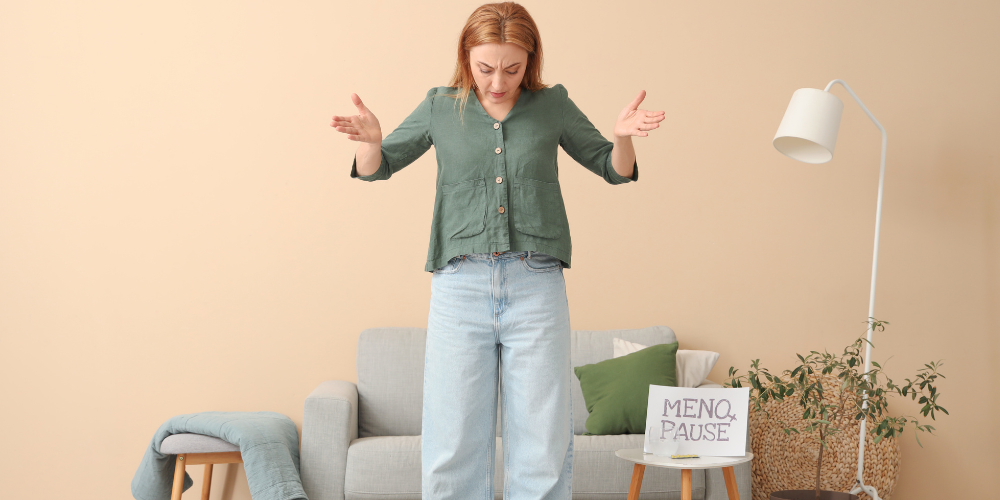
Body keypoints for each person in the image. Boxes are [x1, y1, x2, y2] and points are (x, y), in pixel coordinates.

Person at [330, 3, 664, 499]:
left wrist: (621, 138)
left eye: (512, 68)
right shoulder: (441, 106)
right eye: (486, 68)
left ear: (531, 60)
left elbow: (611, 167)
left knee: (542, 444)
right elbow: (380, 165)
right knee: (452, 443)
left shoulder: (553, 105)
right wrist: (370, 142)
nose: (498, 82)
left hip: (537, 284)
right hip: (459, 287)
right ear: (467, 58)